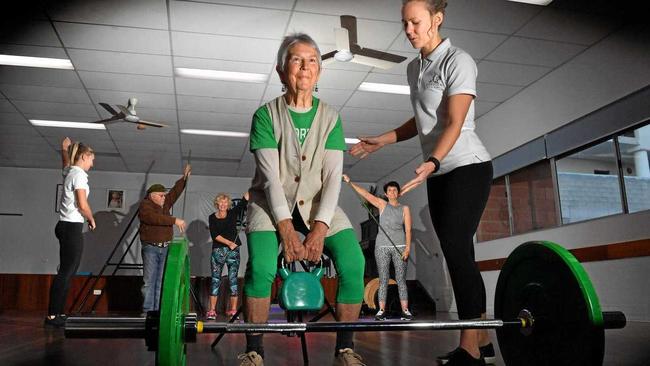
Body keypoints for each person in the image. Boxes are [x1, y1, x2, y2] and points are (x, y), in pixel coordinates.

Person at [350, 1, 495, 365]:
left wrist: (432, 160)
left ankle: (470, 350)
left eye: (415, 22)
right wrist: (381, 140)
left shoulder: (458, 61)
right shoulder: (415, 67)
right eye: (405, 24)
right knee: (459, 252)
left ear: (437, 19)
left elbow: (455, 121)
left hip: (467, 166)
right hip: (440, 172)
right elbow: (422, 119)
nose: (409, 30)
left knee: (457, 248)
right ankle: (482, 338)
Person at [239, 33, 366, 366]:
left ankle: (346, 349)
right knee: (263, 268)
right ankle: (254, 351)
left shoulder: (332, 118)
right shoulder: (265, 116)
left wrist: (321, 227)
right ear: (282, 71)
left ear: (319, 72)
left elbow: (333, 177)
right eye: (296, 59)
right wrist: (285, 229)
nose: (305, 66)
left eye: (312, 60)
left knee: (354, 263)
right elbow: (269, 179)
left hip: (317, 202)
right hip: (270, 204)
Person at [342, 175, 413, 321]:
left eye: (395, 190)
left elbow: (409, 229)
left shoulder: (404, 208)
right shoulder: (381, 204)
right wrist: (350, 182)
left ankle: (405, 311)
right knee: (383, 278)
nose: (392, 192)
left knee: (400, 279)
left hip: (399, 246)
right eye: (389, 190)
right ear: (386, 194)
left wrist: (407, 248)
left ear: (398, 193)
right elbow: (366, 194)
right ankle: (381, 311)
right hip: (382, 247)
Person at [46, 137, 96, 327]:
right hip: (72, 227)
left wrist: (64, 150)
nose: (93, 163)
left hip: (64, 226)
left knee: (68, 271)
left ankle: (58, 313)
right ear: (83, 156)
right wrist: (91, 218)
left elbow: (66, 164)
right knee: (66, 272)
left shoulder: (70, 171)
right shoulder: (79, 175)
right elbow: (82, 205)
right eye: (91, 159)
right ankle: (52, 315)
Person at [138, 164, 191, 313]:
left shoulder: (165, 203)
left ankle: (158, 311)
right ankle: (148, 311)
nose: (164, 197)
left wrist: (184, 178)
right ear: (152, 195)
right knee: (149, 281)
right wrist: (174, 220)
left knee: (161, 281)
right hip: (151, 248)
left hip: (165, 247)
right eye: (161, 195)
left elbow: (175, 192)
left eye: (164, 195)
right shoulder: (145, 206)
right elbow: (154, 218)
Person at [206, 191, 249, 320]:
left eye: (225, 202)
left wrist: (251, 191)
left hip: (233, 252)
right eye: (221, 202)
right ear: (217, 203)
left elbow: (243, 203)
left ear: (228, 204)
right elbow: (215, 235)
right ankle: (212, 311)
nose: (223, 204)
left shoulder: (232, 213)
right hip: (218, 252)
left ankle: (233, 310)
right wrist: (229, 243)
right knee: (215, 280)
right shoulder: (212, 217)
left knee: (233, 280)